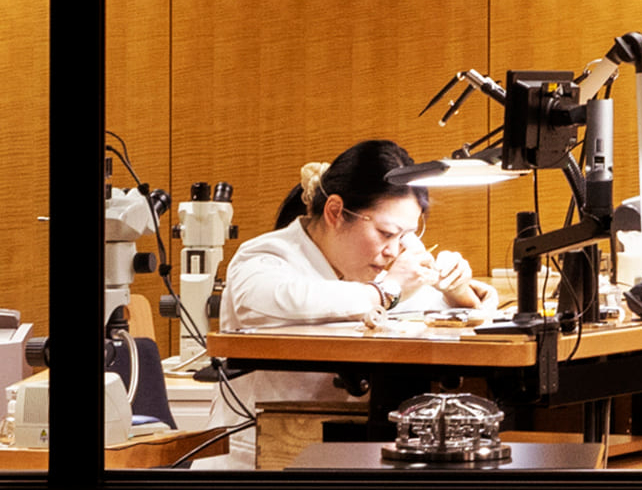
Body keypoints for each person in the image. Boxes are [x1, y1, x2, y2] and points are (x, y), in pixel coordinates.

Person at [209, 139, 492, 464]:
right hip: (258, 460)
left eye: (406, 236)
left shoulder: (373, 273)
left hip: (348, 452)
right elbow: (285, 301)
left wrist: (457, 290)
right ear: (335, 212)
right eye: (386, 233)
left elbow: (457, 314)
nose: (394, 251)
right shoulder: (263, 257)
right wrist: (388, 290)